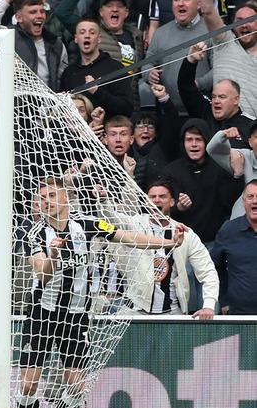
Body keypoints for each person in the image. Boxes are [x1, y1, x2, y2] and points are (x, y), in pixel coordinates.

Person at [19, 176, 184, 408]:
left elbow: (126, 236)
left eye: (51, 195)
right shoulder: (36, 233)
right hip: (42, 313)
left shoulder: (87, 224)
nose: (46, 201)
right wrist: (53, 255)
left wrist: (166, 243)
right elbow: (42, 274)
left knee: (77, 387)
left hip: (76, 316)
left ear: (66, 198)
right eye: (42, 197)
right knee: (29, 384)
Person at [104, 180, 218, 318]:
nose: (157, 200)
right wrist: (104, 200)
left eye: (162, 196)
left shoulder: (186, 234)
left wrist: (209, 306)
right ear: (146, 202)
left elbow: (208, 272)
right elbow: (110, 219)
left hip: (172, 313)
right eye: (152, 197)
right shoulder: (134, 224)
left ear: (172, 202)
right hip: (135, 312)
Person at [162, 119, 243, 243]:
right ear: (183, 143)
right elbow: (160, 210)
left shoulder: (220, 168)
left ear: (206, 142)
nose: (194, 144)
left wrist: (237, 176)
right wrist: (179, 207)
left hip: (215, 242)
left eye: (198, 139)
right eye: (189, 140)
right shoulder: (171, 172)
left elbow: (231, 203)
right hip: (183, 242)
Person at [178, 42, 253, 149]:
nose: (216, 101)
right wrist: (191, 60)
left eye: (222, 97)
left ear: (236, 100)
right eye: (213, 96)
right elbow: (186, 87)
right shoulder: (205, 112)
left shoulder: (250, 125)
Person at [141, 0, 211, 114]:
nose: (180, 3)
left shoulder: (210, 31)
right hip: (168, 112)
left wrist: (199, 83)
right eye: (176, 0)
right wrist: (149, 73)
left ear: (199, 4)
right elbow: (147, 63)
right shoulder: (160, 33)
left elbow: (219, 68)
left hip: (202, 112)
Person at [59, 17, 132, 118]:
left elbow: (127, 108)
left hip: (107, 131)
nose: (87, 36)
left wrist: (97, 91)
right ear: (76, 38)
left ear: (99, 39)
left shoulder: (115, 67)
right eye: (82, 32)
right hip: (78, 132)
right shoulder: (69, 72)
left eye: (92, 33)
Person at [200, 0, 257, 117]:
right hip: (225, 127)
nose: (244, 24)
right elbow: (208, 11)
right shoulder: (224, 42)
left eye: (250, 20)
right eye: (239, 21)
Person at [211, 180, 257, 315]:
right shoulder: (229, 230)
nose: (255, 201)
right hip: (239, 314)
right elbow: (213, 267)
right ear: (243, 202)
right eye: (250, 197)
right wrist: (224, 300)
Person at [207, 124, 257, 218]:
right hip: (242, 225)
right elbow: (213, 150)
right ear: (250, 142)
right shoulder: (243, 157)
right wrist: (223, 135)